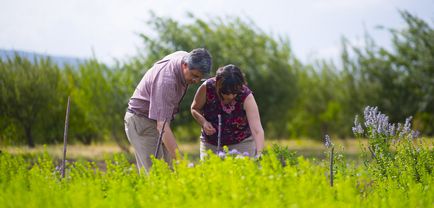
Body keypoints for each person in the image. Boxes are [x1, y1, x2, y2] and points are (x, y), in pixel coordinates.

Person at [124, 48, 212, 173]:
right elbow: (163, 126)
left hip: (155, 119)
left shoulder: (185, 57)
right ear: (185, 65)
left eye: (200, 78)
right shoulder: (166, 82)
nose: (196, 81)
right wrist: (182, 162)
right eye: (194, 76)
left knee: (168, 171)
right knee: (156, 173)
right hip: (142, 120)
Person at [191, 64, 264, 159]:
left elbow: (257, 129)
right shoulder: (207, 87)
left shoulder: (246, 96)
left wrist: (259, 153)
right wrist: (204, 122)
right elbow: (194, 108)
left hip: (241, 144)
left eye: (234, 93)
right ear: (217, 84)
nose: (230, 96)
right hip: (210, 144)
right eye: (225, 92)